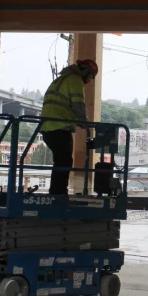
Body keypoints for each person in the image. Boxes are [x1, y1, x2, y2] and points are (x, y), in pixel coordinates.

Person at [39, 59, 99, 195]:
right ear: (85, 72)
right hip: (59, 126)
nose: (89, 81)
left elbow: (63, 105)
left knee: (60, 160)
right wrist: (85, 122)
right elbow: (78, 105)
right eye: (90, 77)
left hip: (48, 126)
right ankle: (58, 193)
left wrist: (75, 120)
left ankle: (56, 191)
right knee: (64, 161)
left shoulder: (62, 79)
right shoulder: (75, 80)